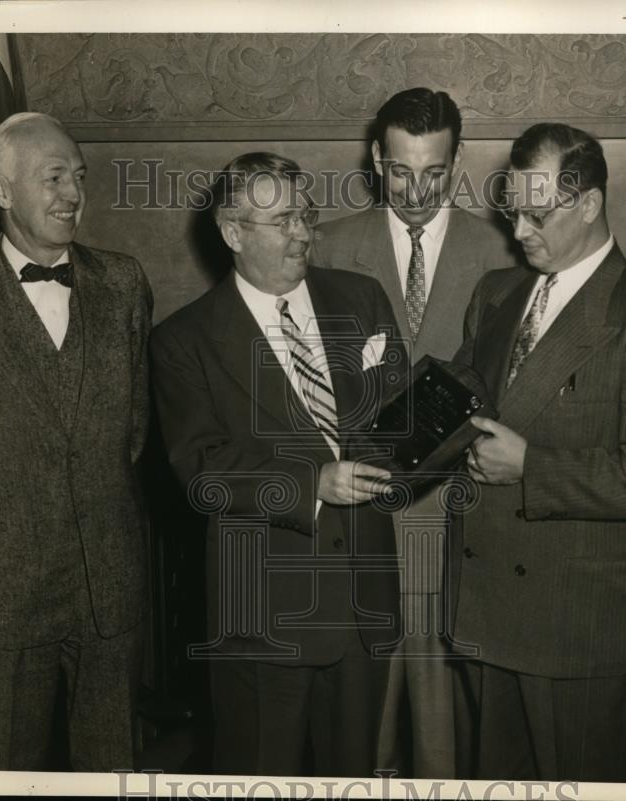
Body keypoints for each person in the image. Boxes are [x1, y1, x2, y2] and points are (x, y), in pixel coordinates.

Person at [450, 122, 626, 781]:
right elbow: (461, 405)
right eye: (513, 211)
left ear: (589, 204)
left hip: (580, 629)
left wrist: (532, 467)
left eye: (538, 214)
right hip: (487, 610)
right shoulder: (494, 293)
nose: (520, 231)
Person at [0, 112, 152, 771]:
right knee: (4, 770)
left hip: (110, 579)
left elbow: (134, 429)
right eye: (53, 177)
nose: (72, 193)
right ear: (2, 189)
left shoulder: (124, 284)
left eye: (79, 177)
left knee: (112, 770)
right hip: (0, 592)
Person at [150, 152, 407, 777]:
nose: (303, 232)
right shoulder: (183, 340)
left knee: (354, 779)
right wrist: (312, 484)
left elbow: (393, 417)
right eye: (283, 220)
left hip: (364, 605)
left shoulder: (362, 297)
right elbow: (203, 470)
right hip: (262, 617)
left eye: (306, 214)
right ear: (233, 233)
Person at [310, 87, 513, 778]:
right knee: (355, 726)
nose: (417, 191)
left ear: (457, 162)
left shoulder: (504, 254)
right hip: (354, 520)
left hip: (458, 519)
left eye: (434, 172)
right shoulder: (327, 246)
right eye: (400, 172)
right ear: (375, 159)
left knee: (443, 727)